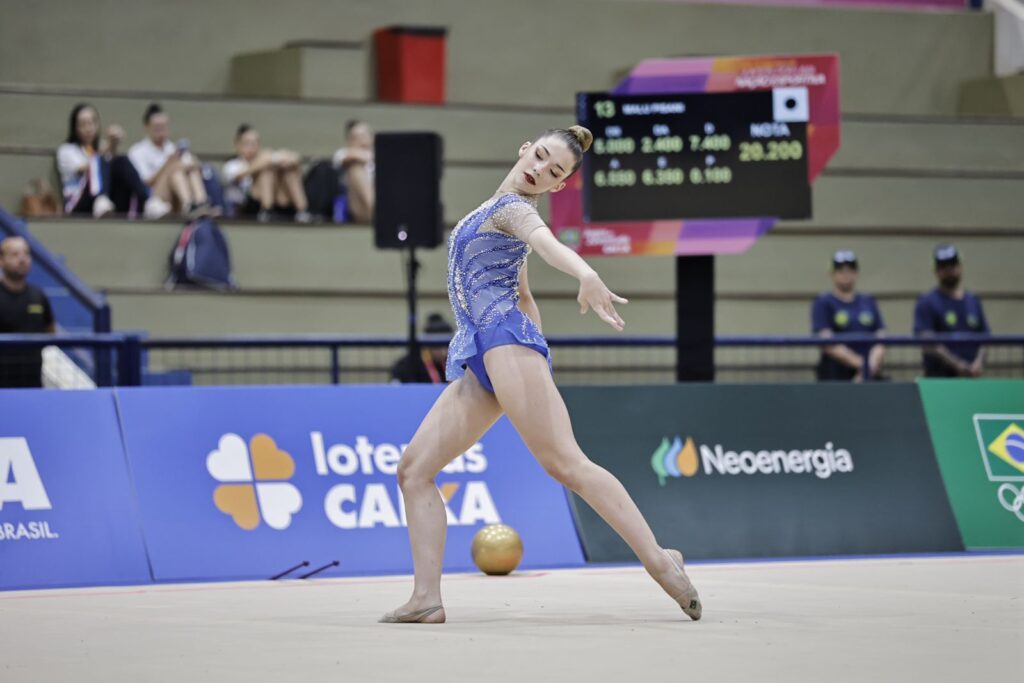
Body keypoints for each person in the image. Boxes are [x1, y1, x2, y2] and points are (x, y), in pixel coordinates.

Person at [380, 126, 701, 625]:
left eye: (555, 172)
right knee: (413, 469)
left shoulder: (518, 212)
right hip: (482, 353)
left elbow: (547, 244)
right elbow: (523, 292)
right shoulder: (494, 210)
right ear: (525, 145)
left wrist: (585, 275)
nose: (540, 170)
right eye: (542, 157)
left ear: (557, 187)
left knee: (566, 465)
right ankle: (426, 598)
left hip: (504, 344)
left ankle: (661, 562)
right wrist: (539, 351)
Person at [56, 103, 164, 218]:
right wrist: (108, 147)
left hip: (109, 201)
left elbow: (110, 165)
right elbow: (90, 168)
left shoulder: (101, 147)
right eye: (83, 124)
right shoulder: (67, 150)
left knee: (121, 160)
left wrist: (114, 144)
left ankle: (149, 201)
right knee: (99, 161)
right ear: (75, 127)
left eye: (92, 123)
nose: (88, 128)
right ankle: (100, 198)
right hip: (79, 204)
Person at [914, 245, 990, 377]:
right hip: (940, 379)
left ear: (960, 266)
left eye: (953, 264)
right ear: (936, 271)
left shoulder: (973, 300)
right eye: (943, 266)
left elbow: (986, 337)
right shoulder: (926, 302)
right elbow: (927, 342)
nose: (949, 270)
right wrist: (958, 365)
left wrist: (978, 364)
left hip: (973, 378)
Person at [810, 250, 886, 382]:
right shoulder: (823, 302)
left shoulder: (868, 300)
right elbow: (826, 341)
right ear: (832, 274)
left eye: (850, 270)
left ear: (857, 273)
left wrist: (870, 365)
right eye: (840, 270)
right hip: (835, 375)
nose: (846, 274)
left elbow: (881, 336)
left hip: (870, 373)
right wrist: (861, 364)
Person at [128, 103, 209, 216]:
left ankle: (202, 203)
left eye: (164, 127)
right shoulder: (137, 151)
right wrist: (168, 164)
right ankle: (188, 204)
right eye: (157, 128)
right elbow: (145, 183)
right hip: (153, 198)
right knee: (174, 169)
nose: (161, 131)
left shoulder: (173, 148)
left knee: (191, 169)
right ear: (147, 127)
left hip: (176, 197)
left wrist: (194, 164)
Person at [223, 124, 311, 223]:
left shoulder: (265, 158)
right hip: (249, 205)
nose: (252, 148)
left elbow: (295, 158)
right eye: (247, 143)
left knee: (288, 170)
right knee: (266, 171)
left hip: (279, 200)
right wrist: (270, 159)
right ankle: (266, 210)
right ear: (238, 145)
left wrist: (283, 160)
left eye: (255, 143)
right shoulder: (232, 165)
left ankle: (303, 211)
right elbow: (239, 177)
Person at [0, 236, 54, 388]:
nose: (22, 259)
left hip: (32, 383)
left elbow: (50, 330)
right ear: (1, 260)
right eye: (15, 254)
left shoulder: (38, 295)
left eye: (26, 253)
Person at [390, 313, 453, 384]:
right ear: (427, 345)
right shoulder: (409, 365)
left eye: (447, 347)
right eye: (437, 347)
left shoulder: (455, 364)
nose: (443, 352)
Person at [332, 120, 375, 223]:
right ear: (349, 141)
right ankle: (376, 212)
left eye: (365, 135)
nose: (362, 140)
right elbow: (351, 157)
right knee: (356, 168)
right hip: (355, 206)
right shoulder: (343, 154)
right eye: (357, 137)